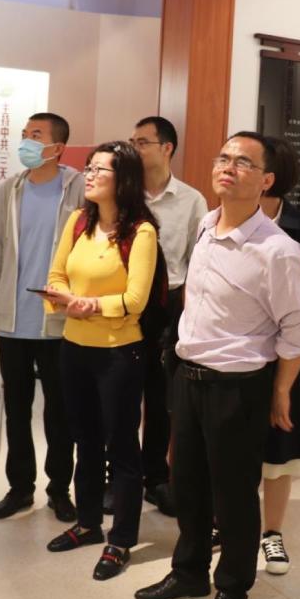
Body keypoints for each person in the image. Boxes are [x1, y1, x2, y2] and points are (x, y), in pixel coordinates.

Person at [134, 132, 300, 599]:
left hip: (238, 386)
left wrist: (281, 390)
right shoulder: (206, 225)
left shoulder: (278, 249)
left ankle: (233, 588)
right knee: (186, 483)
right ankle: (189, 571)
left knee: (233, 495)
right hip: (188, 376)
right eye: (223, 158)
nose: (227, 167)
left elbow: (297, 329)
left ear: (266, 180)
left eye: (242, 162)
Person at [42, 141, 158, 582]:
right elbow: (56, 275)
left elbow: (136, 299)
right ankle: (89, 523)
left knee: (122, 447)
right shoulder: (78, 221)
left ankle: (121, 539)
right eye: (88, 168)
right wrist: (62, 302)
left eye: (99, 170)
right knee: (84, 439)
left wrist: (90, 305)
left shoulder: (141, 232)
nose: (88, 176)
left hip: (119, 352)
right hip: (73, 347)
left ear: (123, 179)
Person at [0, 112, 84, 522]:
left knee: (60, 413)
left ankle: (59, 489)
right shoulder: (12, 188)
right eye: (24, 134)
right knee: (16, 409)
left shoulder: (78, 188)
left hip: (58, 324)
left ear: (57, 148)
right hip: (13, 321)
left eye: (35, 135)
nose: (25, 141)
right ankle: (20, 488)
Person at [129, 116, 208, 516]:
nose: (135, 148)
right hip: (124, 304)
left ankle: (156, 478)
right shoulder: (125, 194)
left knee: (161, 398)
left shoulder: (192, 200)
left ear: (167, 148)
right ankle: (119, 476)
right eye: (133, 141)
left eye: (143, 142)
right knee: (122, 394)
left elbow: (198, 262)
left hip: (170, 304)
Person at [257, 136, 300, 576]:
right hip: (234, 353)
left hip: (285, 354)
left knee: (279, 450)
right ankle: (229, 523)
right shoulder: (219, 219)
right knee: (232, 446)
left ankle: (272, 533)